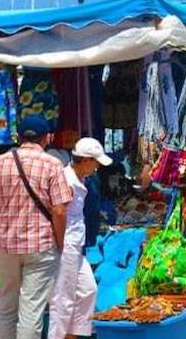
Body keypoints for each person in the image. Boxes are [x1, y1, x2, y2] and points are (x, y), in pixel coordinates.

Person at [0, 114, 72, 339]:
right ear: (46, 138)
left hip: (8, 246)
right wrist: (60, 243)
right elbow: (59, 211)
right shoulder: (53, 164)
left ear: (19, 137)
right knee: (31, 311)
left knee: (7, 308)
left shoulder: (0, 162)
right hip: (40, 246)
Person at [48, 138, 113, 339]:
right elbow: (57, 212)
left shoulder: (82, 180)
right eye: (95, 163)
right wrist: (60, 244)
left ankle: (72, 336)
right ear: (85, 160)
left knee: (88, 290)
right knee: (63, 300)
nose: (96, 168)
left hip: (76, 245)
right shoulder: (66, 181)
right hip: (65, 244)